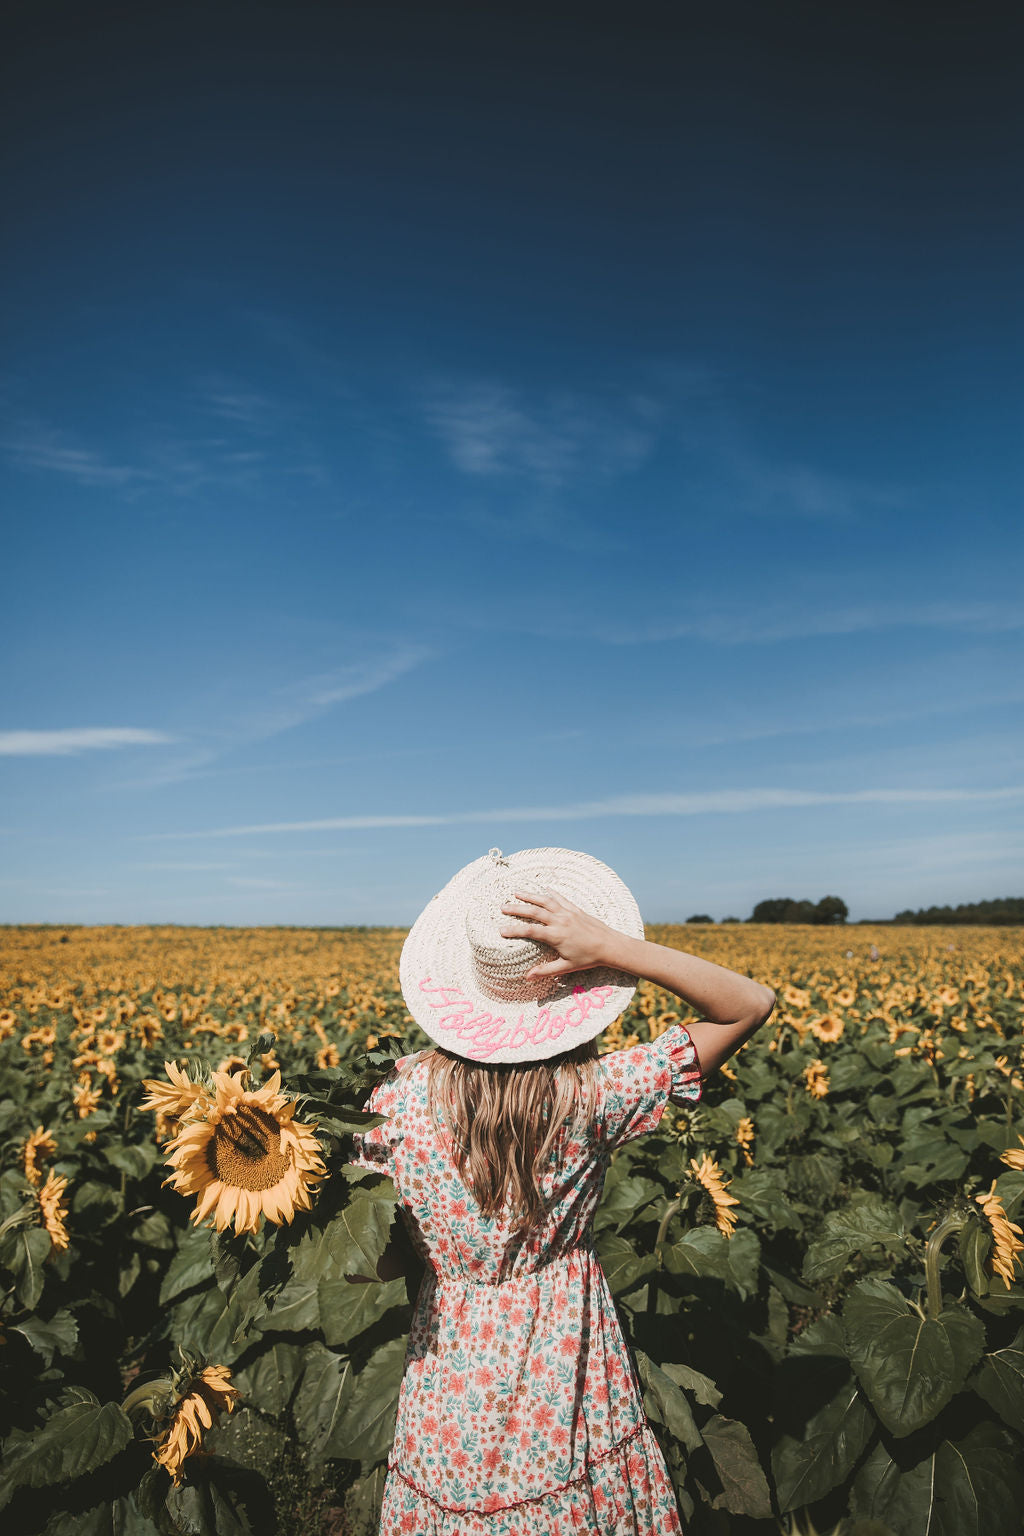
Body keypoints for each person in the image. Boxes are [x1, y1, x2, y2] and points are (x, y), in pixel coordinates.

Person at [349, 846, 776, 1535]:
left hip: (449, 1371)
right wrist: (614, 947)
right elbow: (749, 1005)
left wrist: (446, 1249)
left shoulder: (389, 1101)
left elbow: (375, 1262)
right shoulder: (597, 1093)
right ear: (576, 986)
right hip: (567, 1358)